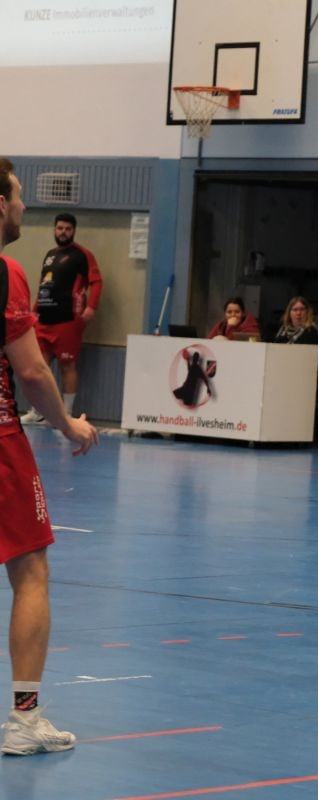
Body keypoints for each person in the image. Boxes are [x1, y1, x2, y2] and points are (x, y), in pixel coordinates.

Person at [0, 157, 99, 755]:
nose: (23, 206)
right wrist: (67, 425)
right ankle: (24, 720)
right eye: (16, 195)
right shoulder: (7, 272)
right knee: (31, 569)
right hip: (0, 441)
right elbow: (33, 372)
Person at [19, 212, 102, 424]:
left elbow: (97, 281)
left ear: (73, 231)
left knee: (67, 366)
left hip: (68, 321)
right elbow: (44, 286)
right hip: (43, 321)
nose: (63, 232)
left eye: (67, 229)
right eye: (59, 228)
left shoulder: (82, 255)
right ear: (54, 230)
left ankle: (66, 413)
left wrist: (91, 307)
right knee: (38, 367)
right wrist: (33, 312)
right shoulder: (50, 255)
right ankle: (38, 411)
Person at [269, 296, 318, 404]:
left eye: (301, 309)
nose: (298, 313)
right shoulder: (281, 334)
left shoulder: (316, 334)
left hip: (308, 387)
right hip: (284, 385)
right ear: (289, 313)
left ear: (307, 312)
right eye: (295, 310)